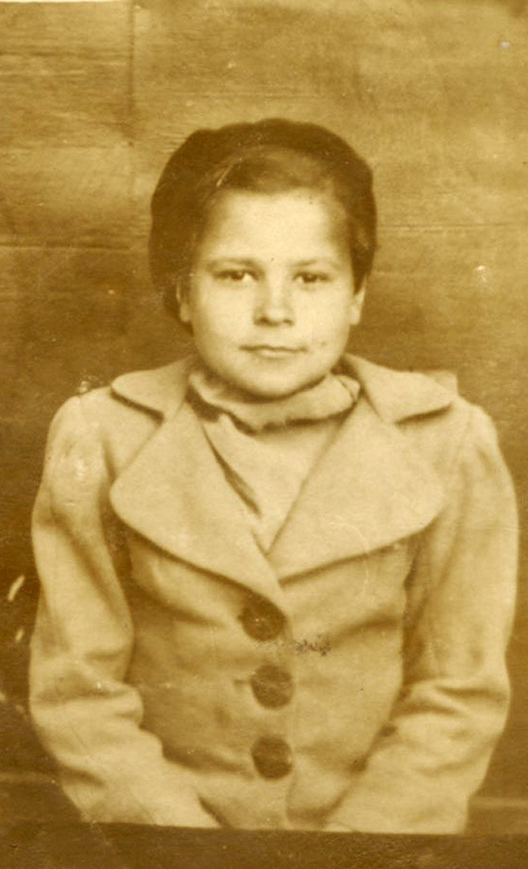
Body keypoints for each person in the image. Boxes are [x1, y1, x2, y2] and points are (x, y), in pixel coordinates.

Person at [29, 118, 517, 833]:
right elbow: (78, 692)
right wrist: (185, 848)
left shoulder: (446, 441)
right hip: (164, 844)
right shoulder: (102, 435)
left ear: (356, 295)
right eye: (236, 275)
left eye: (312, 278)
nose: (275, 312)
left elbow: (458, 692)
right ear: (182, 292)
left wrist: (359, 850)